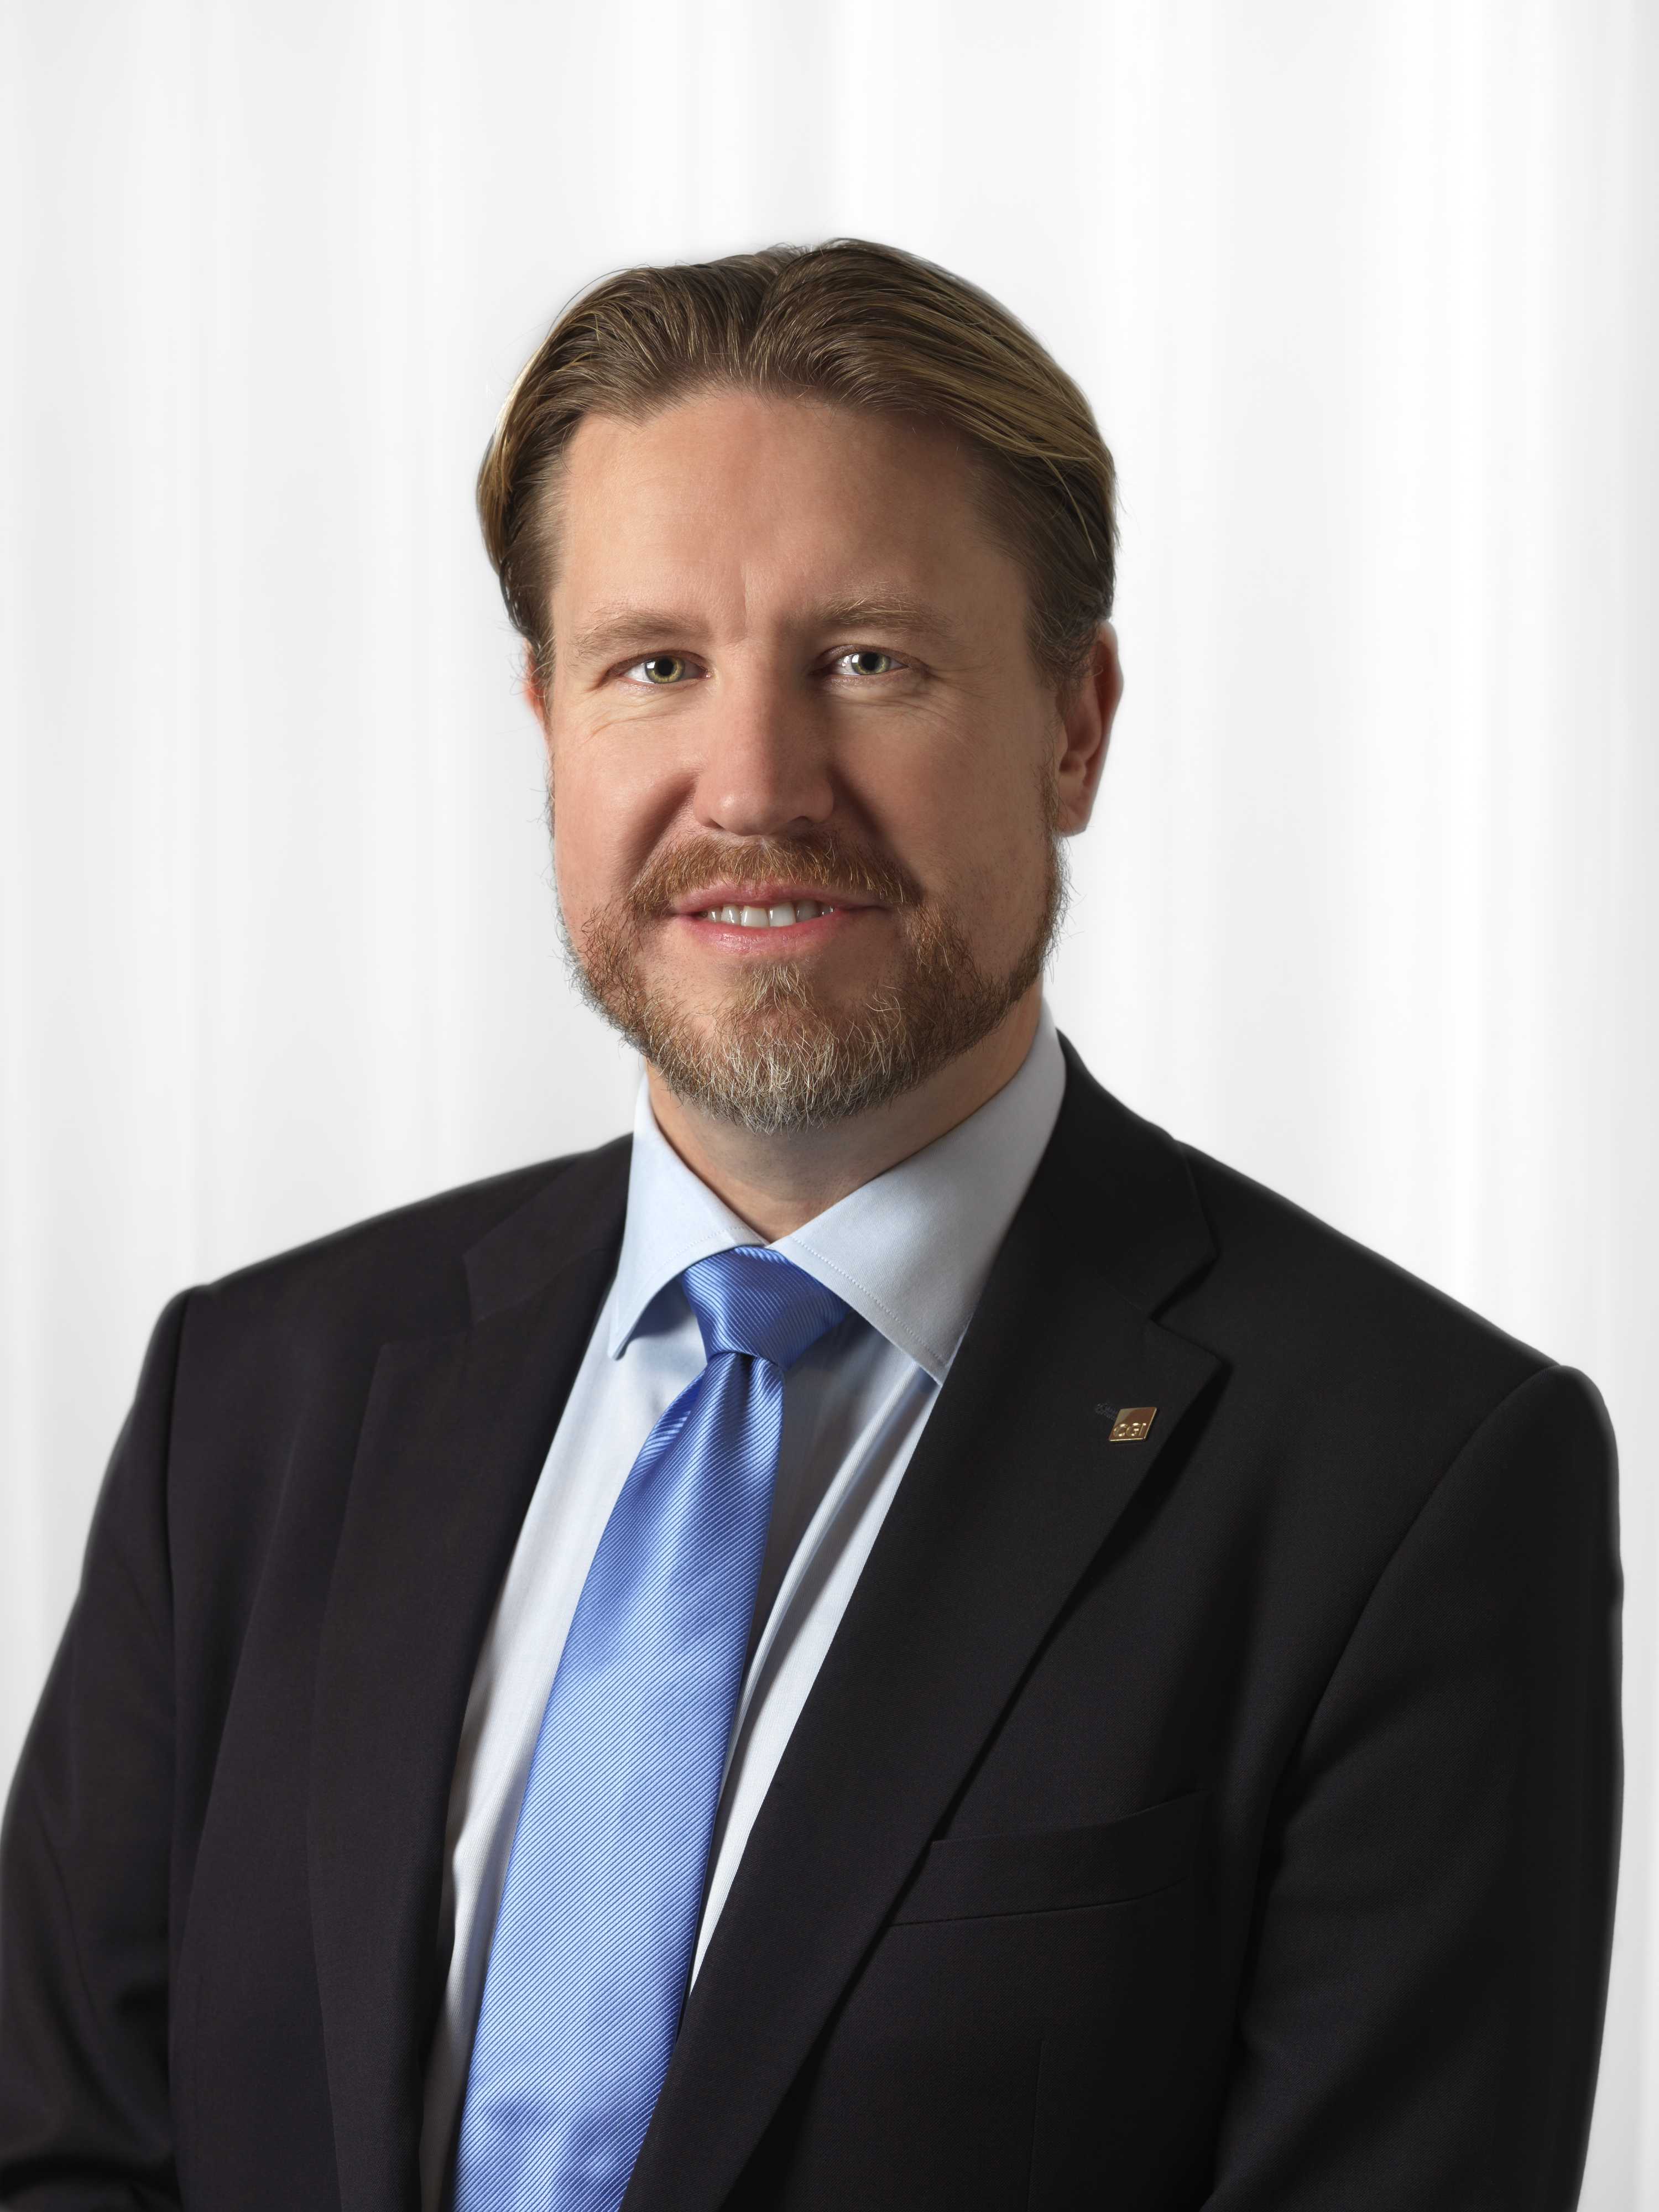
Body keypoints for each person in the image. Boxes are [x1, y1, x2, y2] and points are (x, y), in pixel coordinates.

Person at [0, 239, 1620, 2212]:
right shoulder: (251, 1404)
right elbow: (65, 2157)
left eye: (867, 661)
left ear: (1076, 726)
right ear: (548, 719)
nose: (755, 788)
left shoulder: (1411, 1483)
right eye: (655, 666)